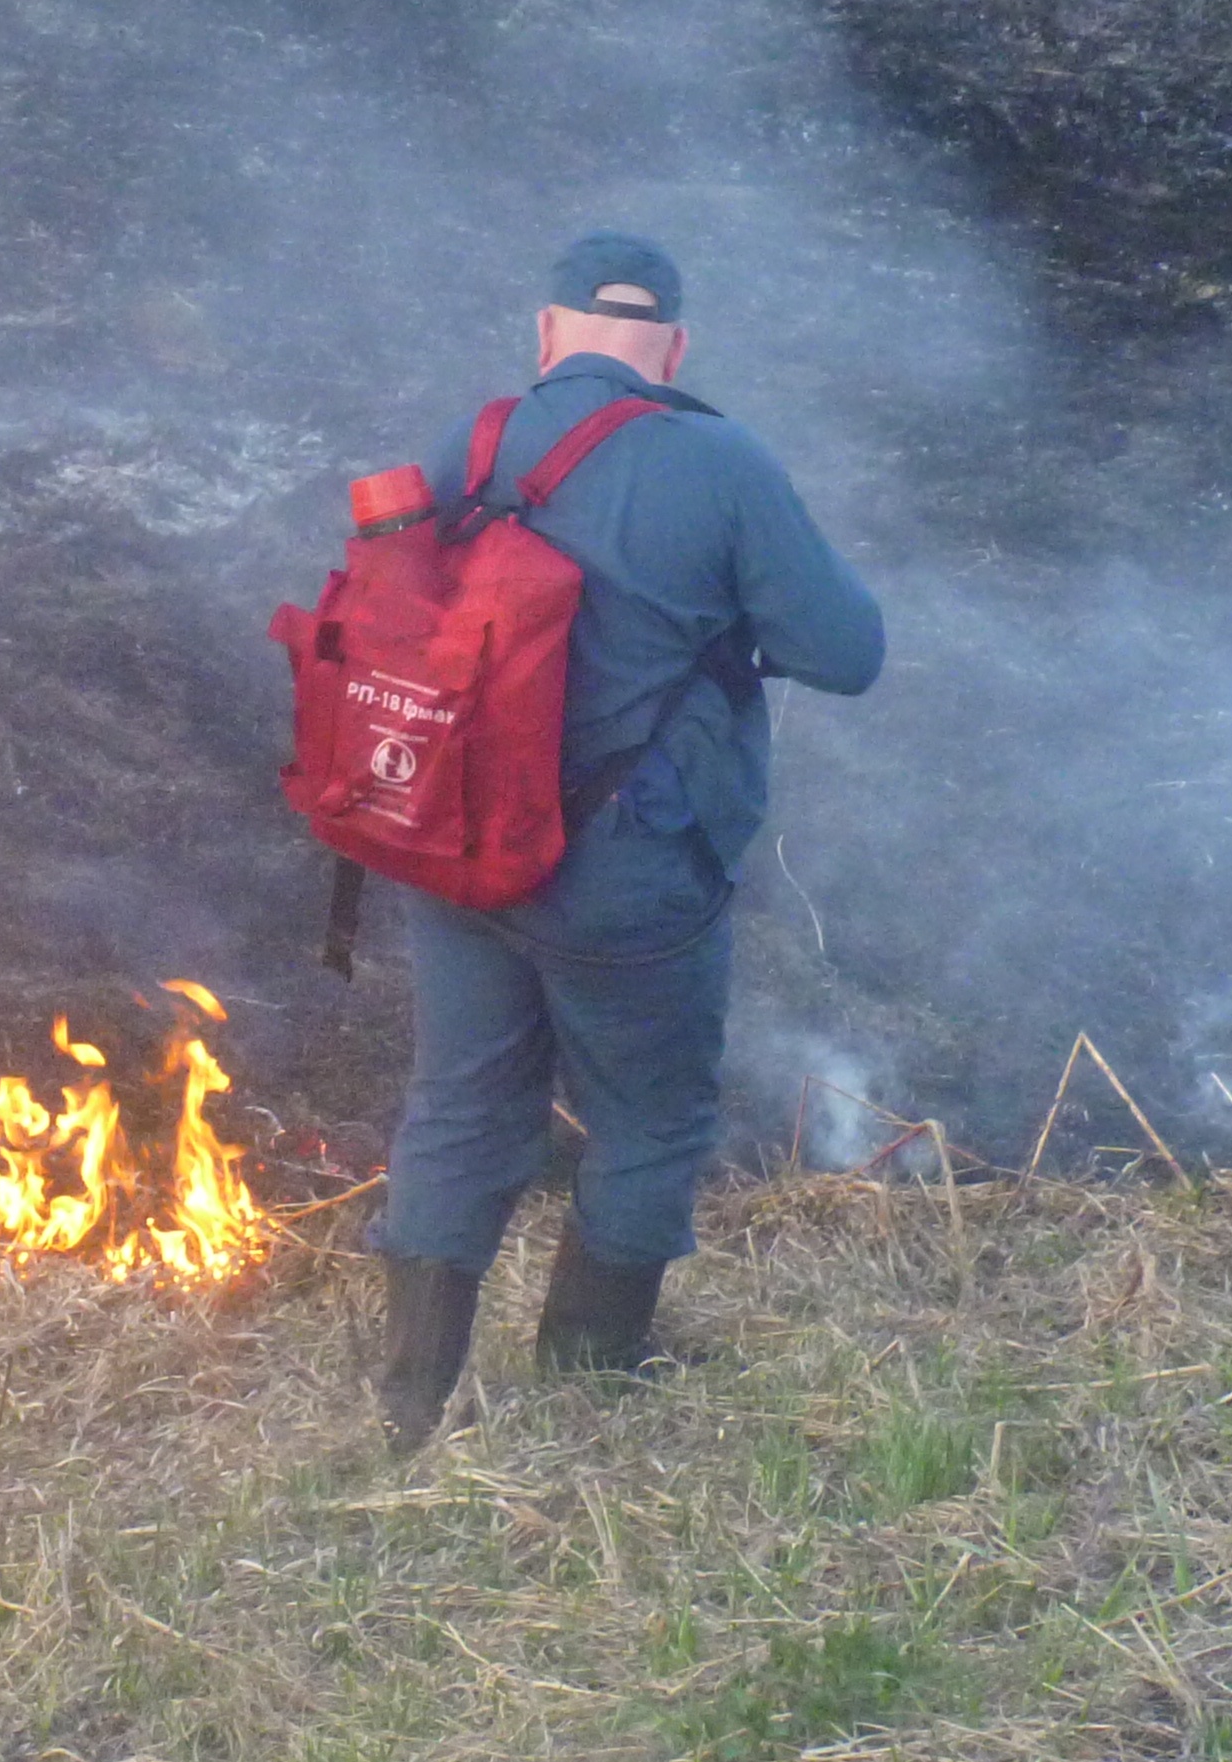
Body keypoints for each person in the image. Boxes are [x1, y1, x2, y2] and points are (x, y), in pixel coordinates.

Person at [373, 232, 884, 1454]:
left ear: (545, 335)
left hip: (452, 849)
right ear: (675, 349)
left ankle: (407, 1399)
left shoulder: (473, 445)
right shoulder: (717, 460)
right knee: (648, 1118)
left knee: (458, 1101)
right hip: (623, 868)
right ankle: (589, 1384)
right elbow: (846, 653)